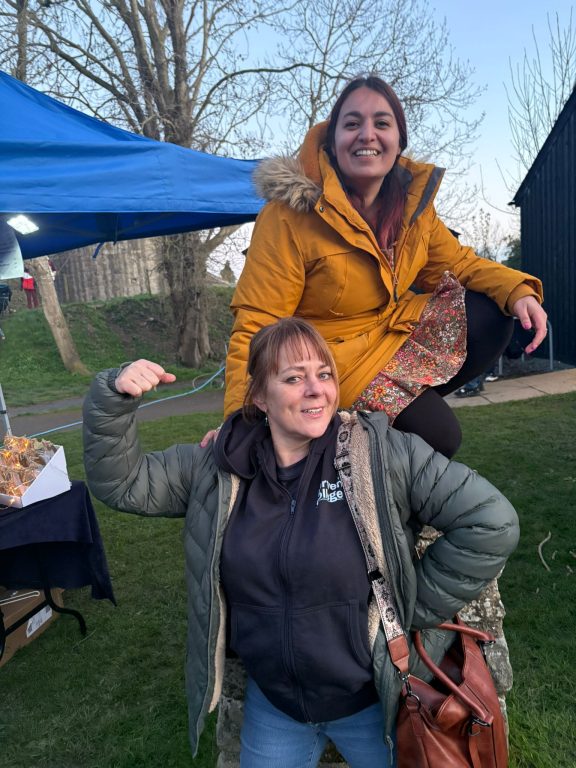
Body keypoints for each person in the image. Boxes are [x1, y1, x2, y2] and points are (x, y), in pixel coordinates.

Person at [83, 317, 519, 768]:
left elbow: (491, 522)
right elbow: (125, 483)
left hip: (375, 703)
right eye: (293, 378)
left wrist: (413, 606)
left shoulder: (382, 453)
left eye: (324, 374)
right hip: (276, 709)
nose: (316, 390)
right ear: (259, 397)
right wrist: (113, 397)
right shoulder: (218, 465)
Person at [223, 74, 547, 458]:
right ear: (332, 140)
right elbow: (259, 321)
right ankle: (343, 433)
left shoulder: (412, 206)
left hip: (390, 338)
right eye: (352, 123)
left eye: (381, 123)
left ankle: (376, 427)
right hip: (330, 362)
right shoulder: (288, 215)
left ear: (398, 141)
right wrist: (239, 426)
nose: (367, 135)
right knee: (441, 437)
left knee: (493, 313)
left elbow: (457, 263)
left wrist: (518, 290)